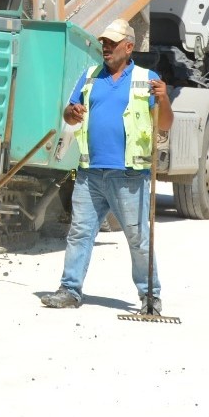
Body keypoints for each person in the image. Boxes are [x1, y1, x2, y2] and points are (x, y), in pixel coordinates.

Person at [41, 18, 172, 314]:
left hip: (129, 175)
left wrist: (164, 101)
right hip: (90, 173)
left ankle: (150, 297)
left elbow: (164, 124)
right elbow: (69, 112)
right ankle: (69, 289)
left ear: (129, 46)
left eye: (112, 43)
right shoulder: (89, 76)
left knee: (139, 239)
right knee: (79, 232)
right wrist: (71, 113)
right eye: (103, 43)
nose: (106, 48)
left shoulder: (146, 78)